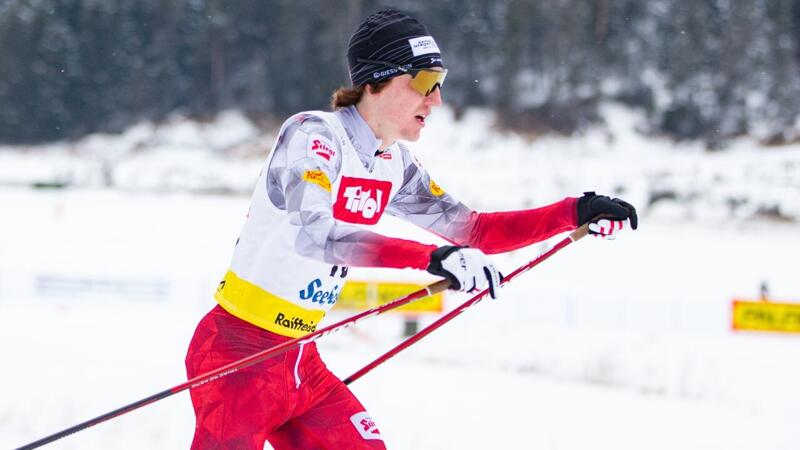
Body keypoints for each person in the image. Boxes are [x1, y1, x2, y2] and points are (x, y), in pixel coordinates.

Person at [185, 8, 638, 450]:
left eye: (439, 84)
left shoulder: (393, 164)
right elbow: (316, 236)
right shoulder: (313, 136)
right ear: (376, 81)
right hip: (238, 352)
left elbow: (473, 231)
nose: (436, 99)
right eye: (423, 83)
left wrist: (574, 212)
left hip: (302, 359)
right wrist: (430, 260)